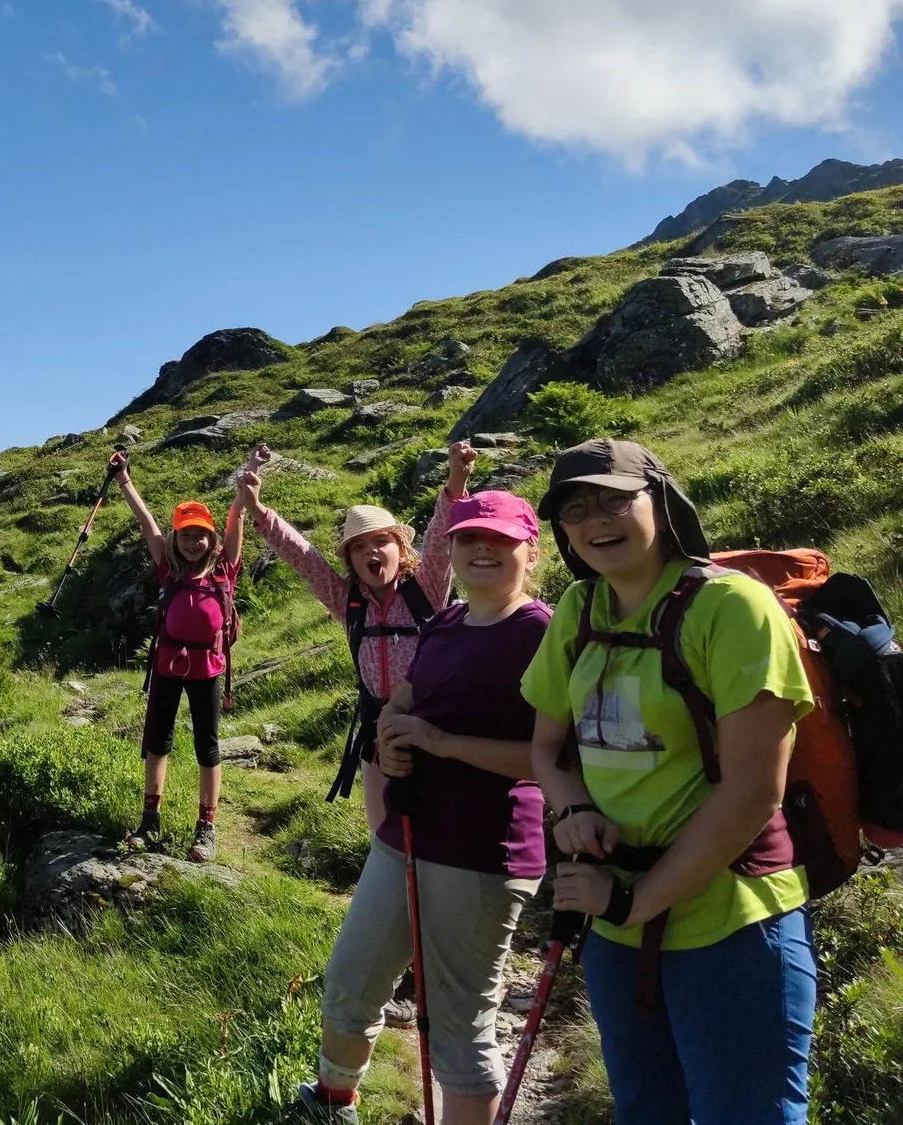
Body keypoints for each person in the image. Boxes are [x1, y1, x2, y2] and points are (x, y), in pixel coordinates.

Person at [522, 439, 817, 1125]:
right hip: (617, 928)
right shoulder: (577, 610)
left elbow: (752, 792)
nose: (595, 518)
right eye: (574, 508)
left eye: (614, 497)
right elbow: (546, 749)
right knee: (647, 1111)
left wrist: (632, 901)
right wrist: (572, 812)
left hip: (733, 924)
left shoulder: (733, 608)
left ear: (659, 499)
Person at [295, 480, 552, 1124]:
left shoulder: (541, 633)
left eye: (500, 539)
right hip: (404, 834)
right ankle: (333, 1104)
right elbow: (403, 699)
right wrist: (392, 734)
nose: (481, 549)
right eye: (468, 537)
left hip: (483, 850)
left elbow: (552, 759)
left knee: (460, 1024)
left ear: (533, 551)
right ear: (452, 550)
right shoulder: (446, 620)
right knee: (351, 982)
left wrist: (438, 742)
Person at [243, 442, 464, 837]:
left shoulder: (426, 588)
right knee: (383, 834)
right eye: (359, 547)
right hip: (376, 726)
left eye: (381, 541)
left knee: (440, 831)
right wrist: (258, 511)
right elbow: (304, 557)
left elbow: (439, 542)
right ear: (350, 561)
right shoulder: (348, 602)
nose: (371, 552)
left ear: (401, 548)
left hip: (432, 723)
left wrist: (456, 481)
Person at [112, 455, 243, 862]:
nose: (192, 541)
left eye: (200, 534)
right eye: (185, 533)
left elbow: (237, 518)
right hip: (167, 666)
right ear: (176, 538)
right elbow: (146, 524)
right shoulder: (167, 569)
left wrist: (249, 480)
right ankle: (150, 820)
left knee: (208, 747)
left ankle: (207, 828)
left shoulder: (224, 569)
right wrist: (124, 482)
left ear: (211, 539)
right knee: (158, 742)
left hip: (208, 668)